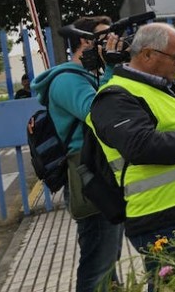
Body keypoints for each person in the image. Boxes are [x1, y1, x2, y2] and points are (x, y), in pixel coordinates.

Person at [88, 23, 175, 287]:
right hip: (164, 219)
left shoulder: (164, 85)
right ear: (147, 55)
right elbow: (143, 147)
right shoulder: (114, 98)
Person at [31, 15, 124, 292]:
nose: (112, 41)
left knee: (108, 259)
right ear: (86, 41)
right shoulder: (66, 80)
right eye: (106, 36)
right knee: (98, 263)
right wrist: (111, 70)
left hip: (101, 171)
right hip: (89, 177)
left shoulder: (87, 75)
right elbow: (97, 113)